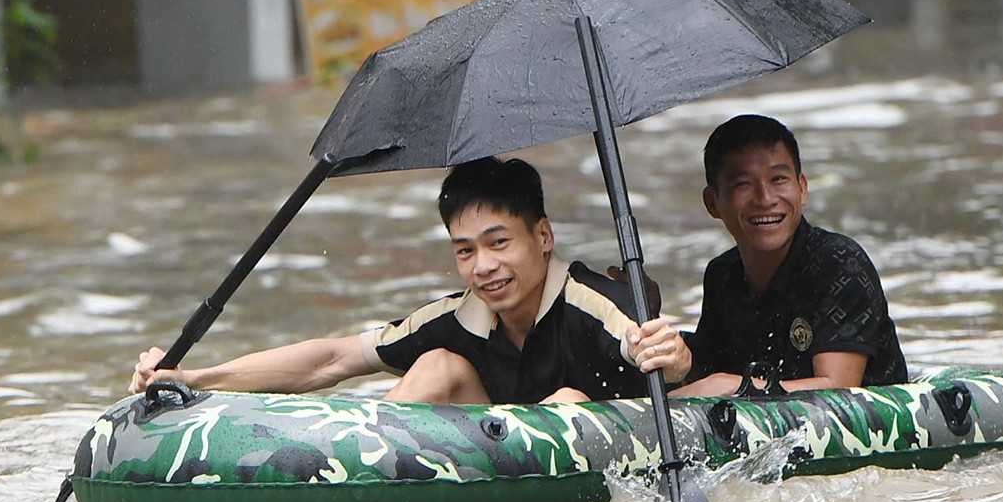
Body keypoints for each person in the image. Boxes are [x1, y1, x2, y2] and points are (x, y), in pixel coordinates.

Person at [130, 156, 693, 404]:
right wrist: (194, 377)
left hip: (610, 440)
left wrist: (671, 356)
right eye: (465, 251)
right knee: (438, 366)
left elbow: (666, 356)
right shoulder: (457, 318)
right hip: (501, 456)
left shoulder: (596, 303)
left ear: (543, 236)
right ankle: (361, 480)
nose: (483, 266)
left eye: (499, 243)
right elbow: (333, 360)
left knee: (568, 399)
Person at [660, 114, 907, 397]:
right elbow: (704, 375)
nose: (765, 199)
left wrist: (733, 386)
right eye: (743, 184)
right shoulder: (722, 274)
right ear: (712, 202)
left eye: (778, 179)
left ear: (802, 188)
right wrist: (660, 340)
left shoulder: (840, 263)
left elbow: (838, 388)